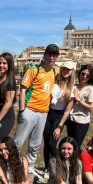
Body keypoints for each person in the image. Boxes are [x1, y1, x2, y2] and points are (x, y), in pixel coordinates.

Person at [14, 44, 58, 177]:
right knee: (18, 141)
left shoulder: (53, 72)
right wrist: (22, 110)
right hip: (30, 110)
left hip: (43, 112)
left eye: (54, 55)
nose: (51, 57)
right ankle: (11, 165)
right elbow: (22, 89)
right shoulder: (33, 70)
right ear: (44, 55)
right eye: (49, 54)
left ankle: (30, 167)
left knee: (35, 143)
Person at [42, 61, 76, 169]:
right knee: (46, 143)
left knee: (52, 144)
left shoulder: (73, 89)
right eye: (64, 68)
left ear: (72, 72)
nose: (65, 71)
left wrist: (59, 126)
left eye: (68, 69)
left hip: (59, 116)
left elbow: (67, 111)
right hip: (48, 113)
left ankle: (58, 167)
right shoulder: (54, 81)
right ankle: (48, 168)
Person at [65, 65, 93, 149]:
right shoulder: (75, 86)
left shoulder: (90, 89)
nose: (84, 76)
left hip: (82, 122)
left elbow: (91, 107)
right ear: (79, 73)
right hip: (71, 120)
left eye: (88, 75)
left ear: (90, 77)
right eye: (83, 74)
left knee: (75, 147)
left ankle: (77, 162)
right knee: (70, 146)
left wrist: (79, 99)